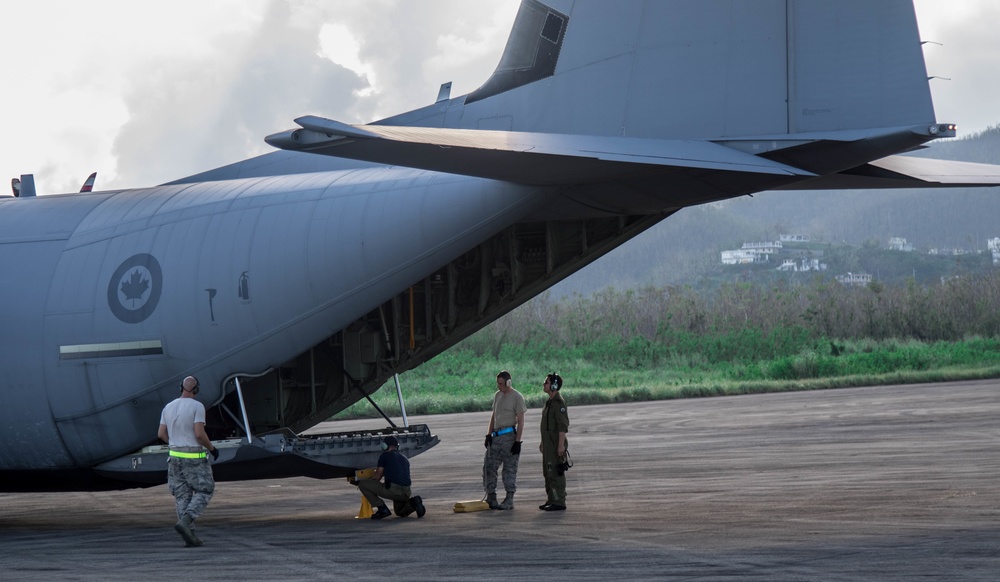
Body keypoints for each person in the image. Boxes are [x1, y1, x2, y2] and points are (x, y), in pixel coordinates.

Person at [157, 375, 220, 547]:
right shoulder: (197, 406)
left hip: (174, 457)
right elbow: (199, 434)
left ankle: (189, 536)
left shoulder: (168, 407)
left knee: (182, 495)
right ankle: (187, 519)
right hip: (193, 457)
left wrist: (174, 443)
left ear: (180, 388)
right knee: (205, 490)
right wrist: (212, 449)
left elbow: (161, 434)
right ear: (196, 389)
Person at [483, 370, 526, 509]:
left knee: (509, 469)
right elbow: (494, 415)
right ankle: (491, 496)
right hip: (496, 437)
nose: (499, 386)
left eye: (501, 384)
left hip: (509, 437)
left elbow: (521, 421)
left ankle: (509, 499)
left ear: (508, 383)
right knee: (489, 466)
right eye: (497, 384)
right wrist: (488, 434)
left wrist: (517, 442)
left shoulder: (517, 397)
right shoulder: (497, 396)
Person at [357, 436, 426, 520]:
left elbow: (377, 477)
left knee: (363, 485)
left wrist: (362, 481)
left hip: (394, 491)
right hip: (407, 492)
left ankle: (382, 509)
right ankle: (414, 503)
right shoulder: (404, 458)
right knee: (400, 512)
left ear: (385, 446)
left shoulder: (384, 456)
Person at [539, 372, 570, 511]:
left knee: (555, 474)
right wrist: (542, 442)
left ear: (554, 385)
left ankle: (559, 501)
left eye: (546, 382)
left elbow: (562, 426)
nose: (544, 384)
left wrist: (560, 446)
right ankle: (551, 499)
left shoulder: (558, 403)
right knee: (548, 473)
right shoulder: (549, 402)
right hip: (548, 445)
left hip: (555, 445)